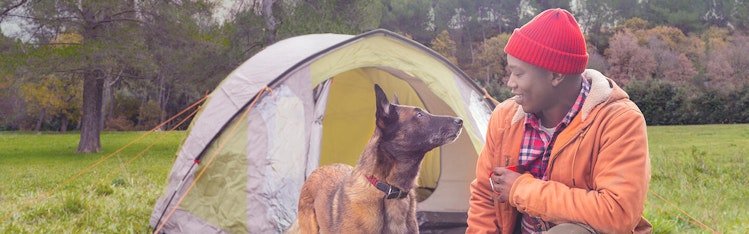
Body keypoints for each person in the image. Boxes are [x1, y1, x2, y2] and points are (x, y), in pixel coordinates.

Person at [466, 8, 652, 234]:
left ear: (555, 75)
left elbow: (616, 213)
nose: (510, 83)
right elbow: (486, 196)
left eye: (519, 73)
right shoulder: (505, 117)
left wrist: (520, 188)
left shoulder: (619, 121)